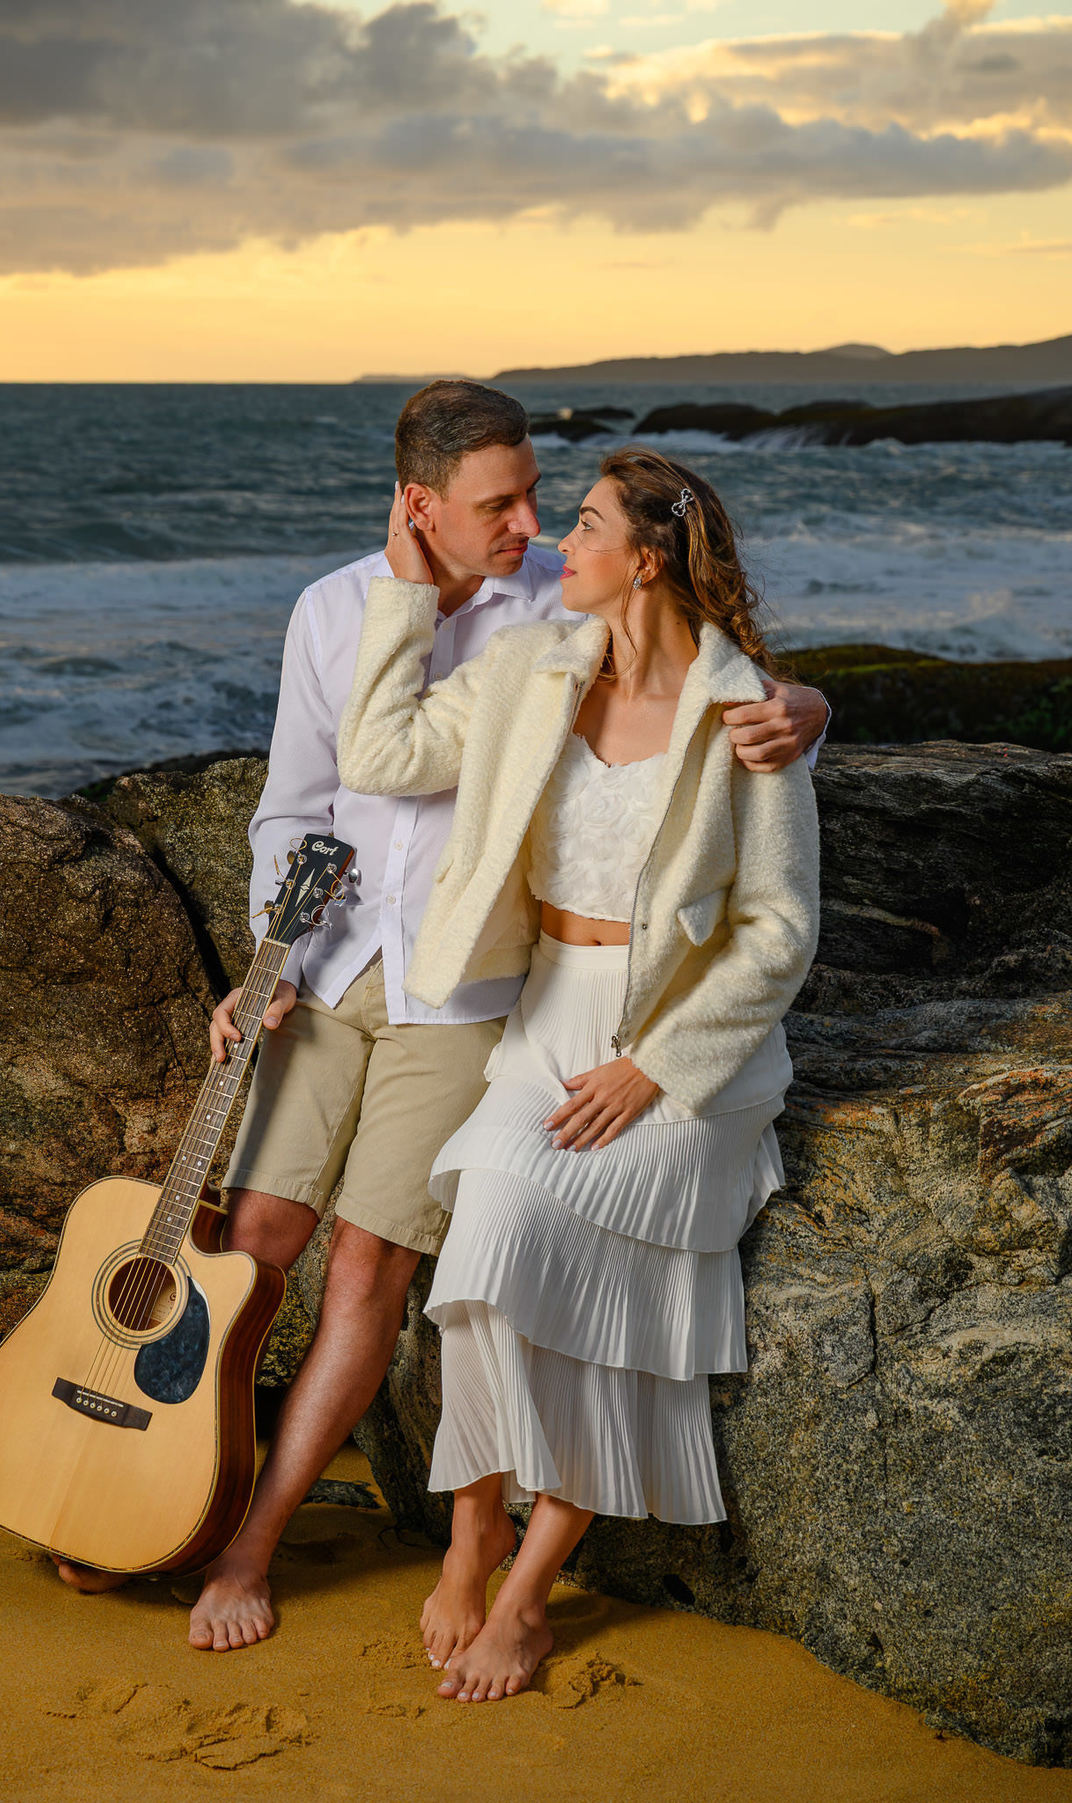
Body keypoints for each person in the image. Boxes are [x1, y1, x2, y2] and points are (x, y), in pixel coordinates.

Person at [56, 382, 829, 1650]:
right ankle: (164, 1495)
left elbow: (731, 751)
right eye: (501, 504)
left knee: (376, 1264)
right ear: (420, 504)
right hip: (339, 964)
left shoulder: (553, 608)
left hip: (476, 995)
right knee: (248, 1242)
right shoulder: (365, 615)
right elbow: (314, 791)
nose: (530, 523)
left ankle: (258, 1543)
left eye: (547, 501)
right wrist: (269, 958)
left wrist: (809, 709)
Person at [335, 447, 820, 1703]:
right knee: (492, 1234)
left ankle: (529, 1594)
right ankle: (473, 1530)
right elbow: (382, 753)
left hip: (678, 1052)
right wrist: (402, 588)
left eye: (587, 525)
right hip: (546, 1014)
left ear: (645, 560)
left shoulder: (745, 715)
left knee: (597, 1268)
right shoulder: (529, 670)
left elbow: (778, 930)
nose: (558, 542)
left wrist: (656, 1068)